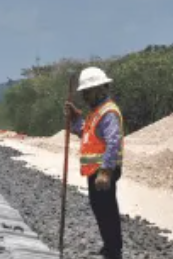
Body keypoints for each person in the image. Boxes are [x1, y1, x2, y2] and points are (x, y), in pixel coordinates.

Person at [64, 66, 124, 259]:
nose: (85, 96)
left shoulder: (108, 112)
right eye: (84, 92)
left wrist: (105, 171)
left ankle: (113, 251)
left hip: (103, 171)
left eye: (87, 92)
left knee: (106, 211)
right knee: (101, 209)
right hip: (95, 170)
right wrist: (76, 118)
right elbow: (86, 134)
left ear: (101, 89)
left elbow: (113, 142)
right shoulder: (95, 112)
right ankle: (110, 246)